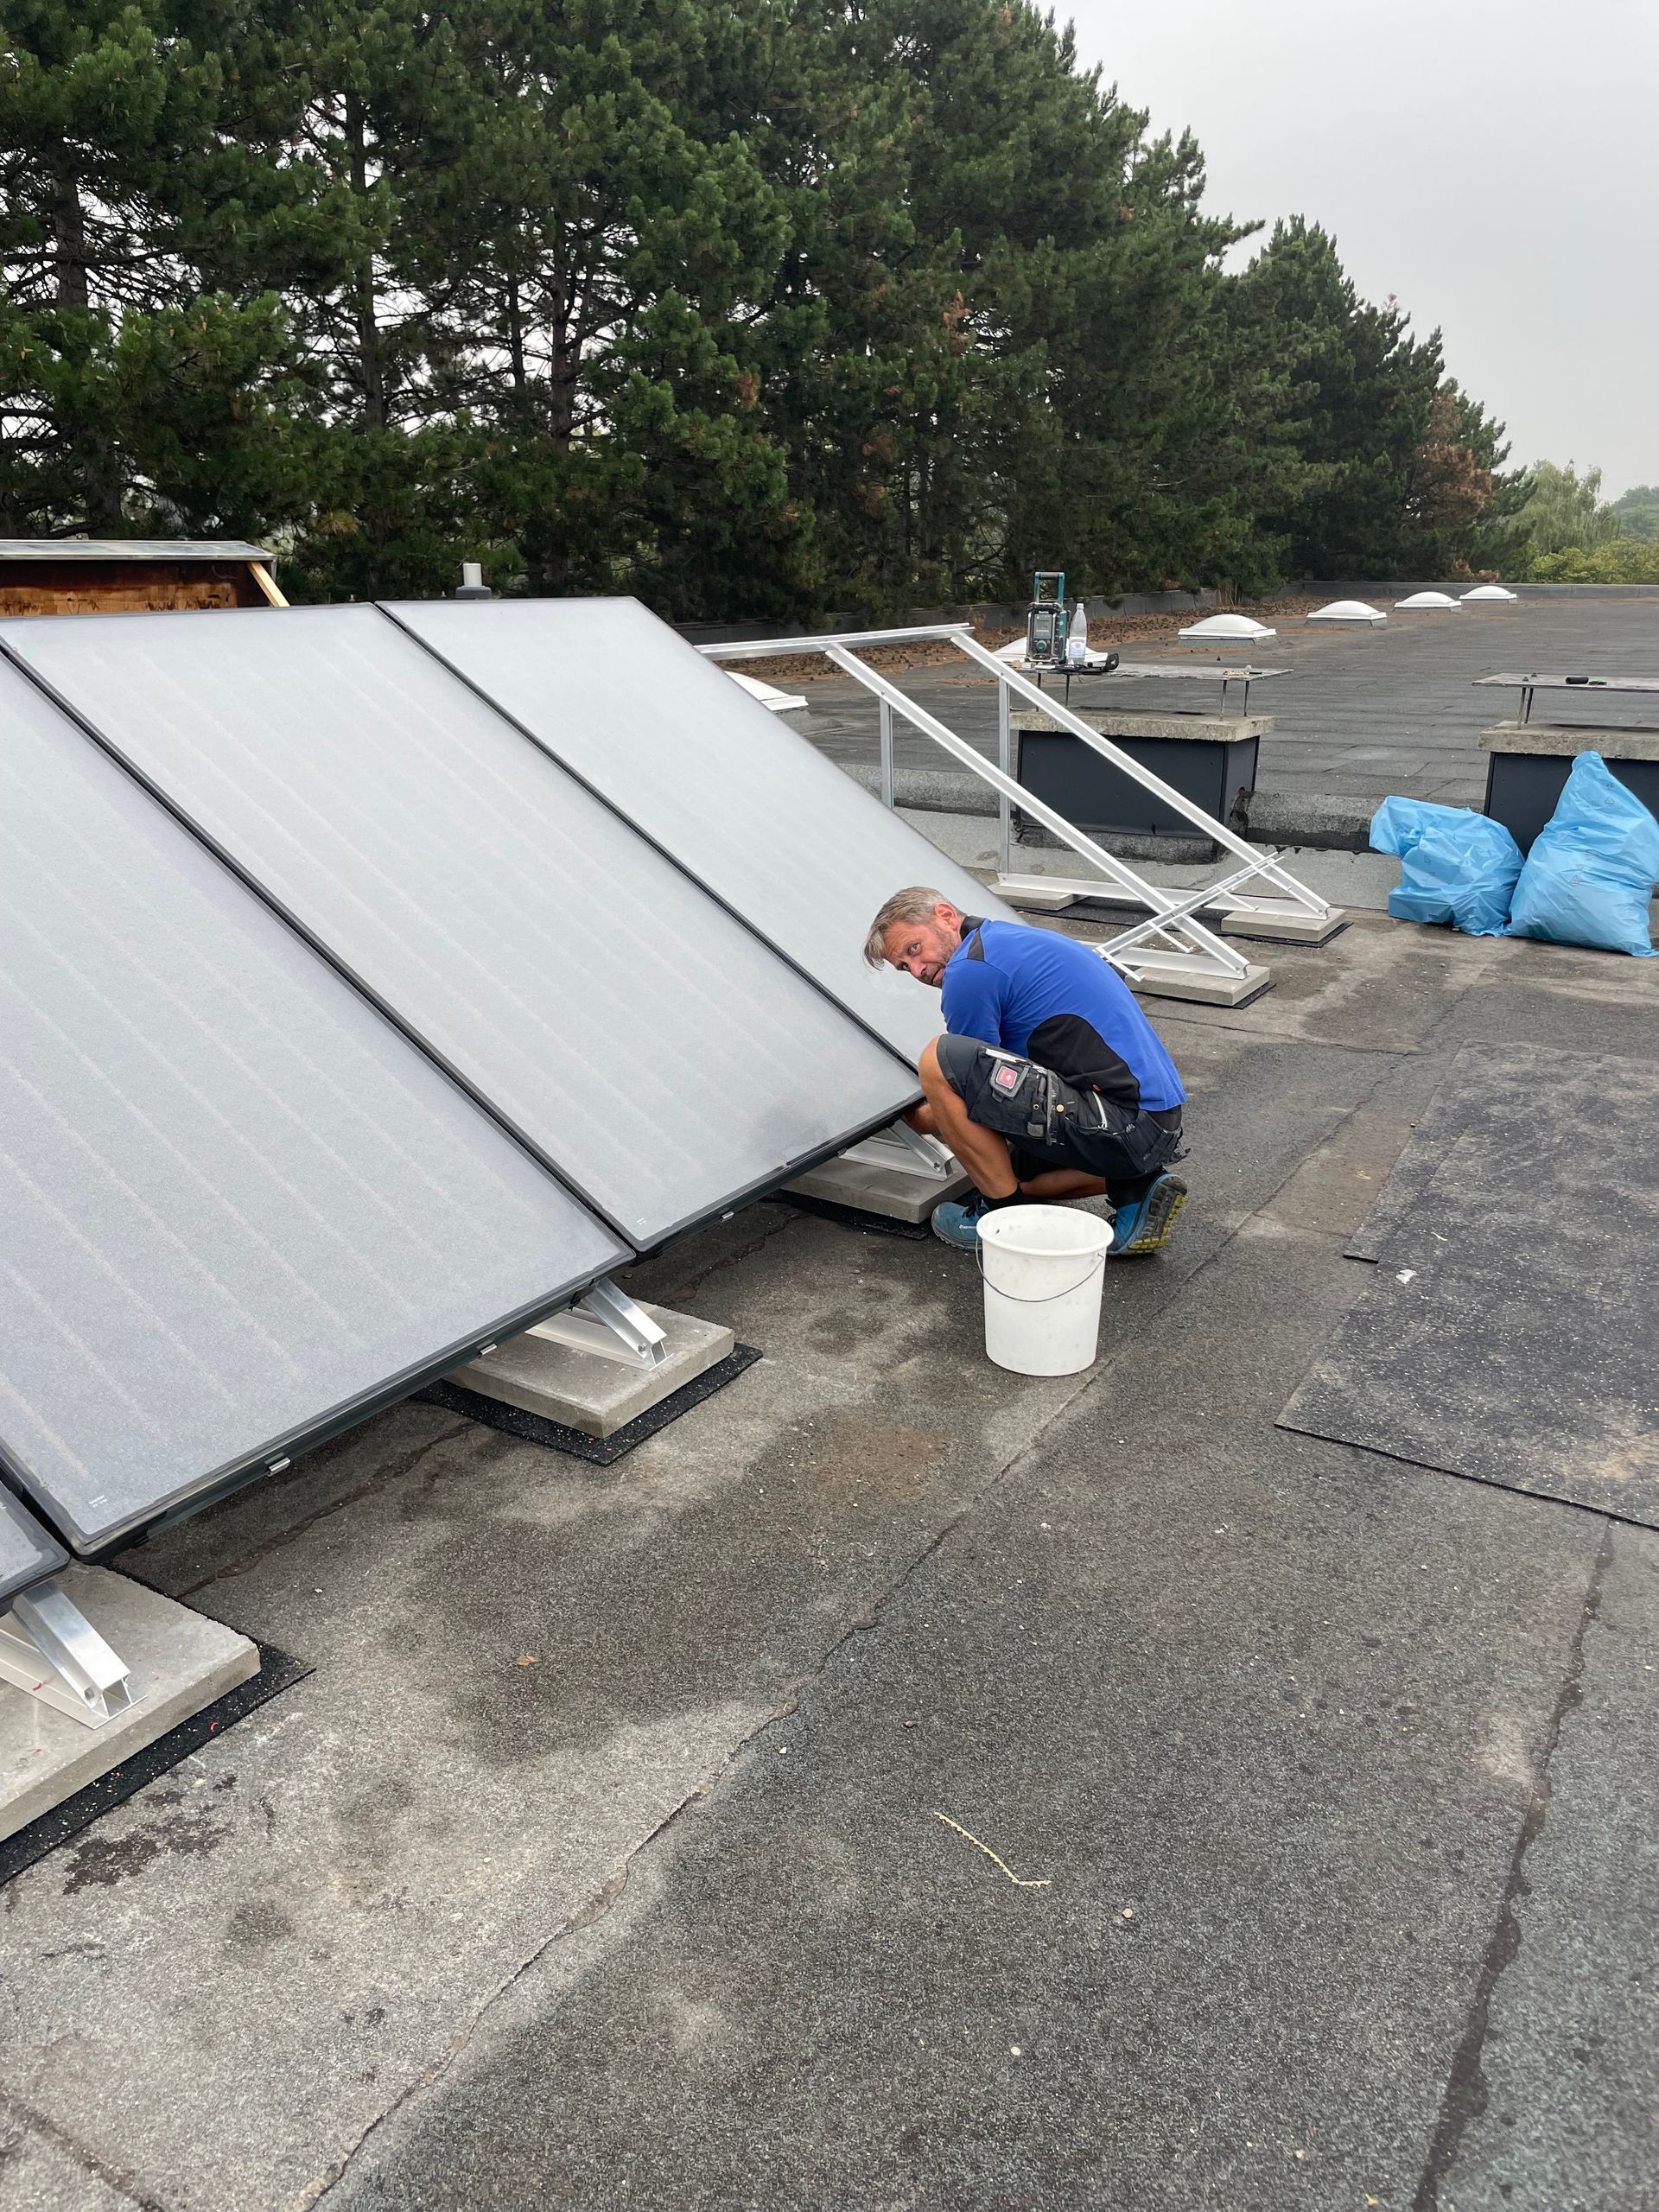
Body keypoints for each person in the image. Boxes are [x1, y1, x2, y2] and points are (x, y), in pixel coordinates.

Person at [863, 887, 1188, 1255]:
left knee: (939, 1059)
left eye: (914, 949)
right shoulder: (1009, 940)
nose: (917, 970)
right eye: (904, 967)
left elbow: (972, 1092)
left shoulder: (970, 970)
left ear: (946, 915)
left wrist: (914, 1118)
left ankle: (999, 1219)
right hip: (1155, 1126)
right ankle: (1137, 1190)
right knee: (1006, 1171)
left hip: (1120, 1124)